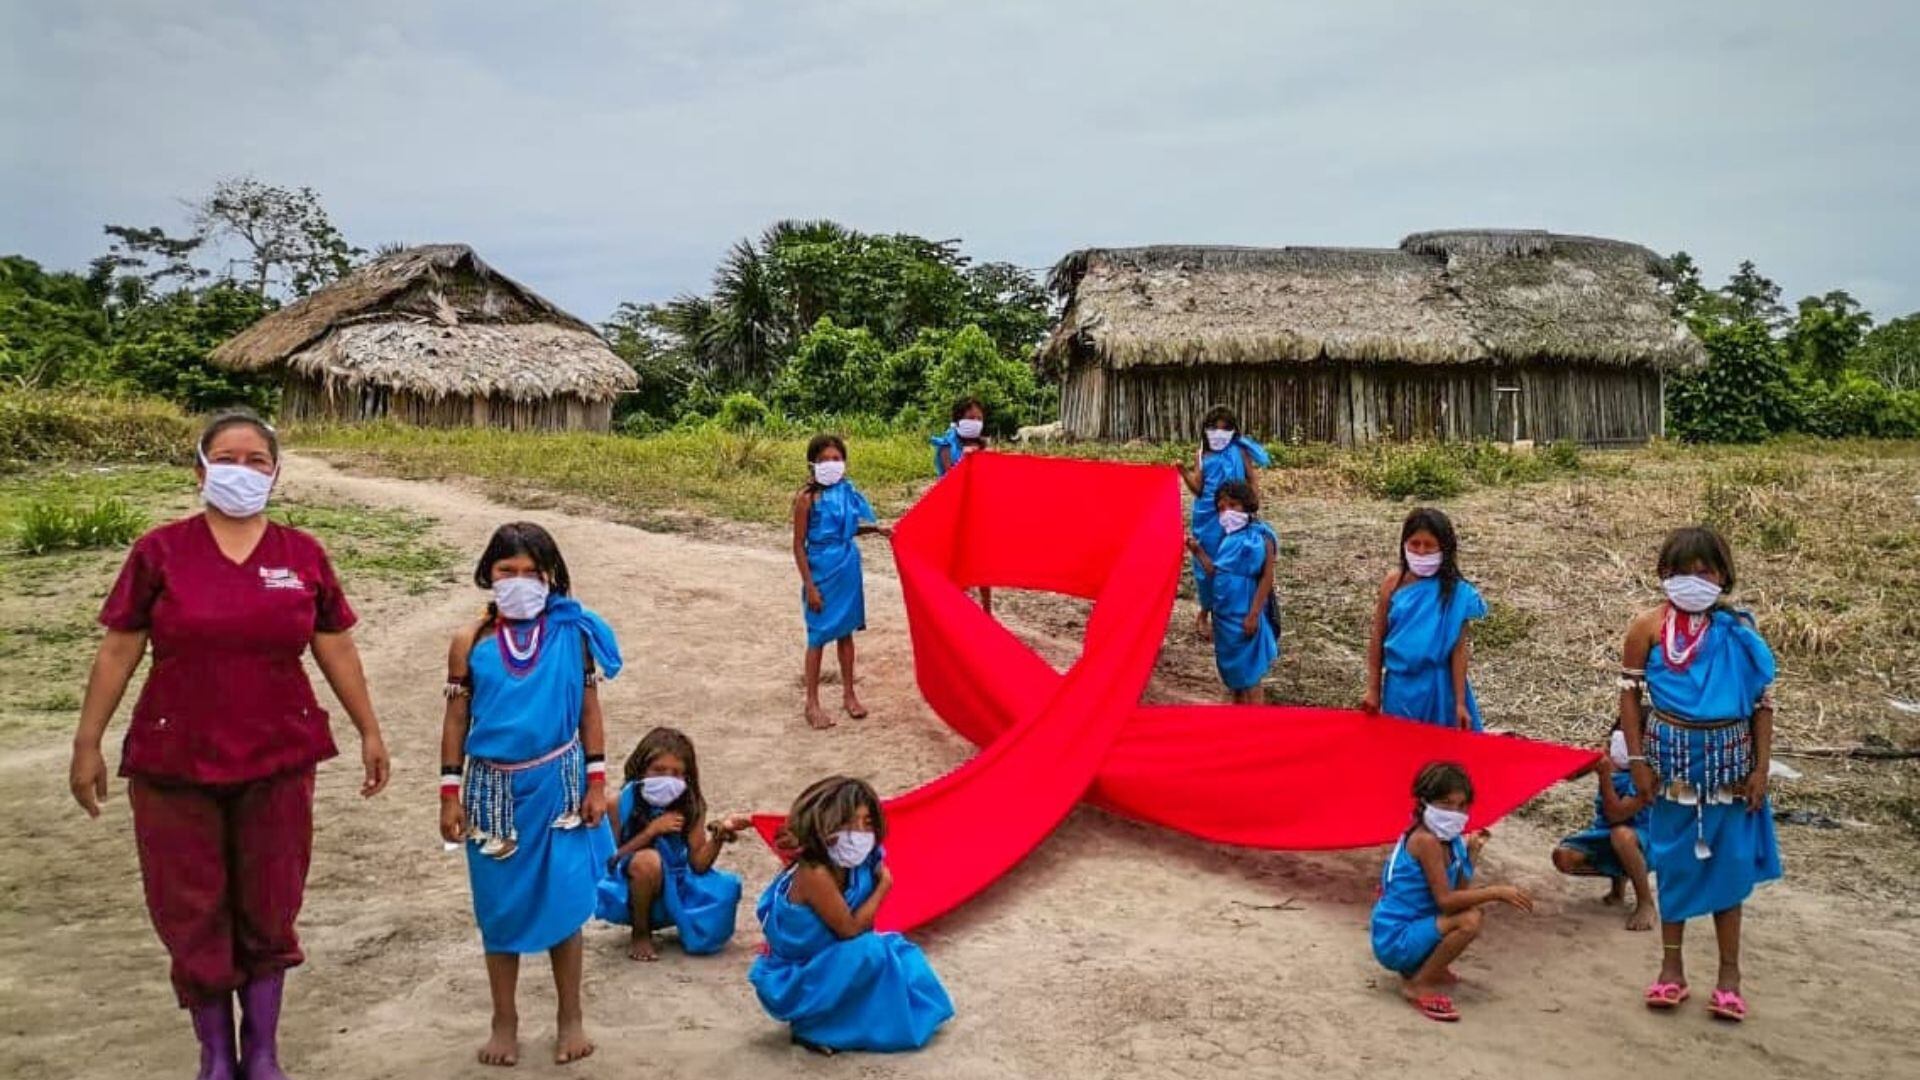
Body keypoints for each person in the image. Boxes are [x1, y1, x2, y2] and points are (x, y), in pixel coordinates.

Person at [69, 409, 390, 1080]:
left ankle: (263, 1053)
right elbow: (119, 647)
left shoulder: (301, 556)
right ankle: (216, 1055)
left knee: (271, 899)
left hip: (278, 753)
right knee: (190, 903)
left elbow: (333, 643)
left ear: (276, 475)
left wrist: (368, 728)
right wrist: (88, 741)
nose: (241, 471)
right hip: (174, 757)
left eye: (256, 461)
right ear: (199, 470)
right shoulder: (160, 551)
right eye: (227, 458)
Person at [439, 523, 620, 1067]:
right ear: (487, 576)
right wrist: (449, 794)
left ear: (551, 577)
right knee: (500, 909)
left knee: (565, 907)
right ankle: (505, 1019)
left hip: (560, 785)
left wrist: (596, 782)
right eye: (506, 572)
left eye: (531, 573)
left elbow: (589, 712)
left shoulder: (573, 634)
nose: (519, 582)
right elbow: (455, 720)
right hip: (491, 790)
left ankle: (570, 1016)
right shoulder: (470, 642)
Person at [1620, 526, 1780, 1022]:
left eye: (1704, 571)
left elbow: (1762, 704)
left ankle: (1729, 977)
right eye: (1681, 571)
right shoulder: (1645, 628)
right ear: (1662, 575)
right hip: (1669, 765)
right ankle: (1672, 971)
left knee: (1727, 868)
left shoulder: (1741, 633)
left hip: (1730, 768)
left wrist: (1760, 769)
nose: (1693, 579)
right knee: (1674, 864)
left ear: (1723, 577)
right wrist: (1638, 761)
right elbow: (1629, 697)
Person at [749, 777, 953, 1054]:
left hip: (831, 961)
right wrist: (883, 887)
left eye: (867, 823)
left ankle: (845, 1019)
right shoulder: (815, 872)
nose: (859, 833)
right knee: (872, 949)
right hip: (798, 978)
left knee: (897, 952)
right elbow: (850, 930)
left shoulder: (859, 863)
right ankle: (812, 1026)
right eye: (847, 823)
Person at [1370, 762, 1533, 1022]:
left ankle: (1424, 967)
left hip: (1415, 926)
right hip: (1395, 937)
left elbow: (1458, 894)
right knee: (1470, 920)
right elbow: (1446, 902)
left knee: (1469, 913)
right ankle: (1418, 984)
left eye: (1461, 805)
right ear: (1425, 802)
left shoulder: (1451, 840)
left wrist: (1471, 855)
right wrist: (1496, 892)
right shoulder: (1426, 840)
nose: (1454, 812)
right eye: (1445, 804)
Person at [593, 726, 752, 960]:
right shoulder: (618, 804)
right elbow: (610, 861)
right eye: (658, 771)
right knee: (648, 861)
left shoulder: (692, 805)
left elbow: (698, 864)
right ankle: (641, 933)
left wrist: (720, 834)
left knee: (726, 889)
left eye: (676, 773)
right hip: (632, 883)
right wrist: (650, 833)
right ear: (641, 770)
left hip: (678, 880)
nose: (667, 779)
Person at [792, 435, 892, 729]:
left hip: (847, 567)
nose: (831, 465)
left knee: (846, 634)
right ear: (812, 464)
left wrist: (876, 529)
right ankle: (812, 702)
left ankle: (849, 694)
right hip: (821, 570)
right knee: (818, 636)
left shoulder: (848, 493)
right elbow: (798, 544)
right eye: (824, 460)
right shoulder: (807, 499)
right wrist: (810, 586)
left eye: (837, 459)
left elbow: (848, 529)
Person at [1363, 507, 1489, 730]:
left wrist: (1459, 702)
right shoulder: (1393, 584)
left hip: (1440, 688)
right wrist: (1373, 689)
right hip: (1400, 687)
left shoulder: (1456, 592)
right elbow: (1377, 637)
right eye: (1415, 544)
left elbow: (1459, 650)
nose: (1421, 552)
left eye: (1429, 545)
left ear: (1444, 548)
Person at [1176, 406, 1270, 641]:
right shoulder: (1202, 454)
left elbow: (1251, 479)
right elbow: (1198, 488)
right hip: (1208, 515)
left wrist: (1251, 507)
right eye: (1214, 428)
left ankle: (1231, 611)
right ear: (1206, 430)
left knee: (1232, 562)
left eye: (1224, 428)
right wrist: (1183, 472)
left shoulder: (1239, 451)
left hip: (1235, 512)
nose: (1219, 433)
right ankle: (1205, 611)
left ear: (1233, 430)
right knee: (1204, 567)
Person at [1552, 726, 1657, 931]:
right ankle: (1618, 886)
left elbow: (1616, 814)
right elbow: (1568, 774)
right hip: (1603, 832)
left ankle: (1645, 902)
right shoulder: (1609, 756)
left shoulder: (1649, 774)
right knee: (1563, 857)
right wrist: (1583, 760)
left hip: (1643, 836)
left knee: (1621, 836)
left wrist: (1605, 777)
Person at [1184, 479, 1279, 703]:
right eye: (1221, 508)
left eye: (1233, 505)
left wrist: (1254, 614)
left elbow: (1267, 577)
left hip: (1245, 612)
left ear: (1247, 505)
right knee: (1233, 674)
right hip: (1224, 615)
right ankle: (1237, 720)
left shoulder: (1262, 537)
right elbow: (1215, 572)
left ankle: (1256, 724)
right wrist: (1197, 551)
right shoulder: (1227, 540)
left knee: (1250, 674)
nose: (1227, 512)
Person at [931, 397, 993, 614]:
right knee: (955, 563)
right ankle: (956, 610)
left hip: (977, 511)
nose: (975, 421)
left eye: (979, 418)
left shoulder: (983, 445)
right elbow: (950, 479)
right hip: (953, 513)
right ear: (958, 420)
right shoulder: (946, 446)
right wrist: (967, 461)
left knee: (982, 562)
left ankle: (987, 611)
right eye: (970, 417)